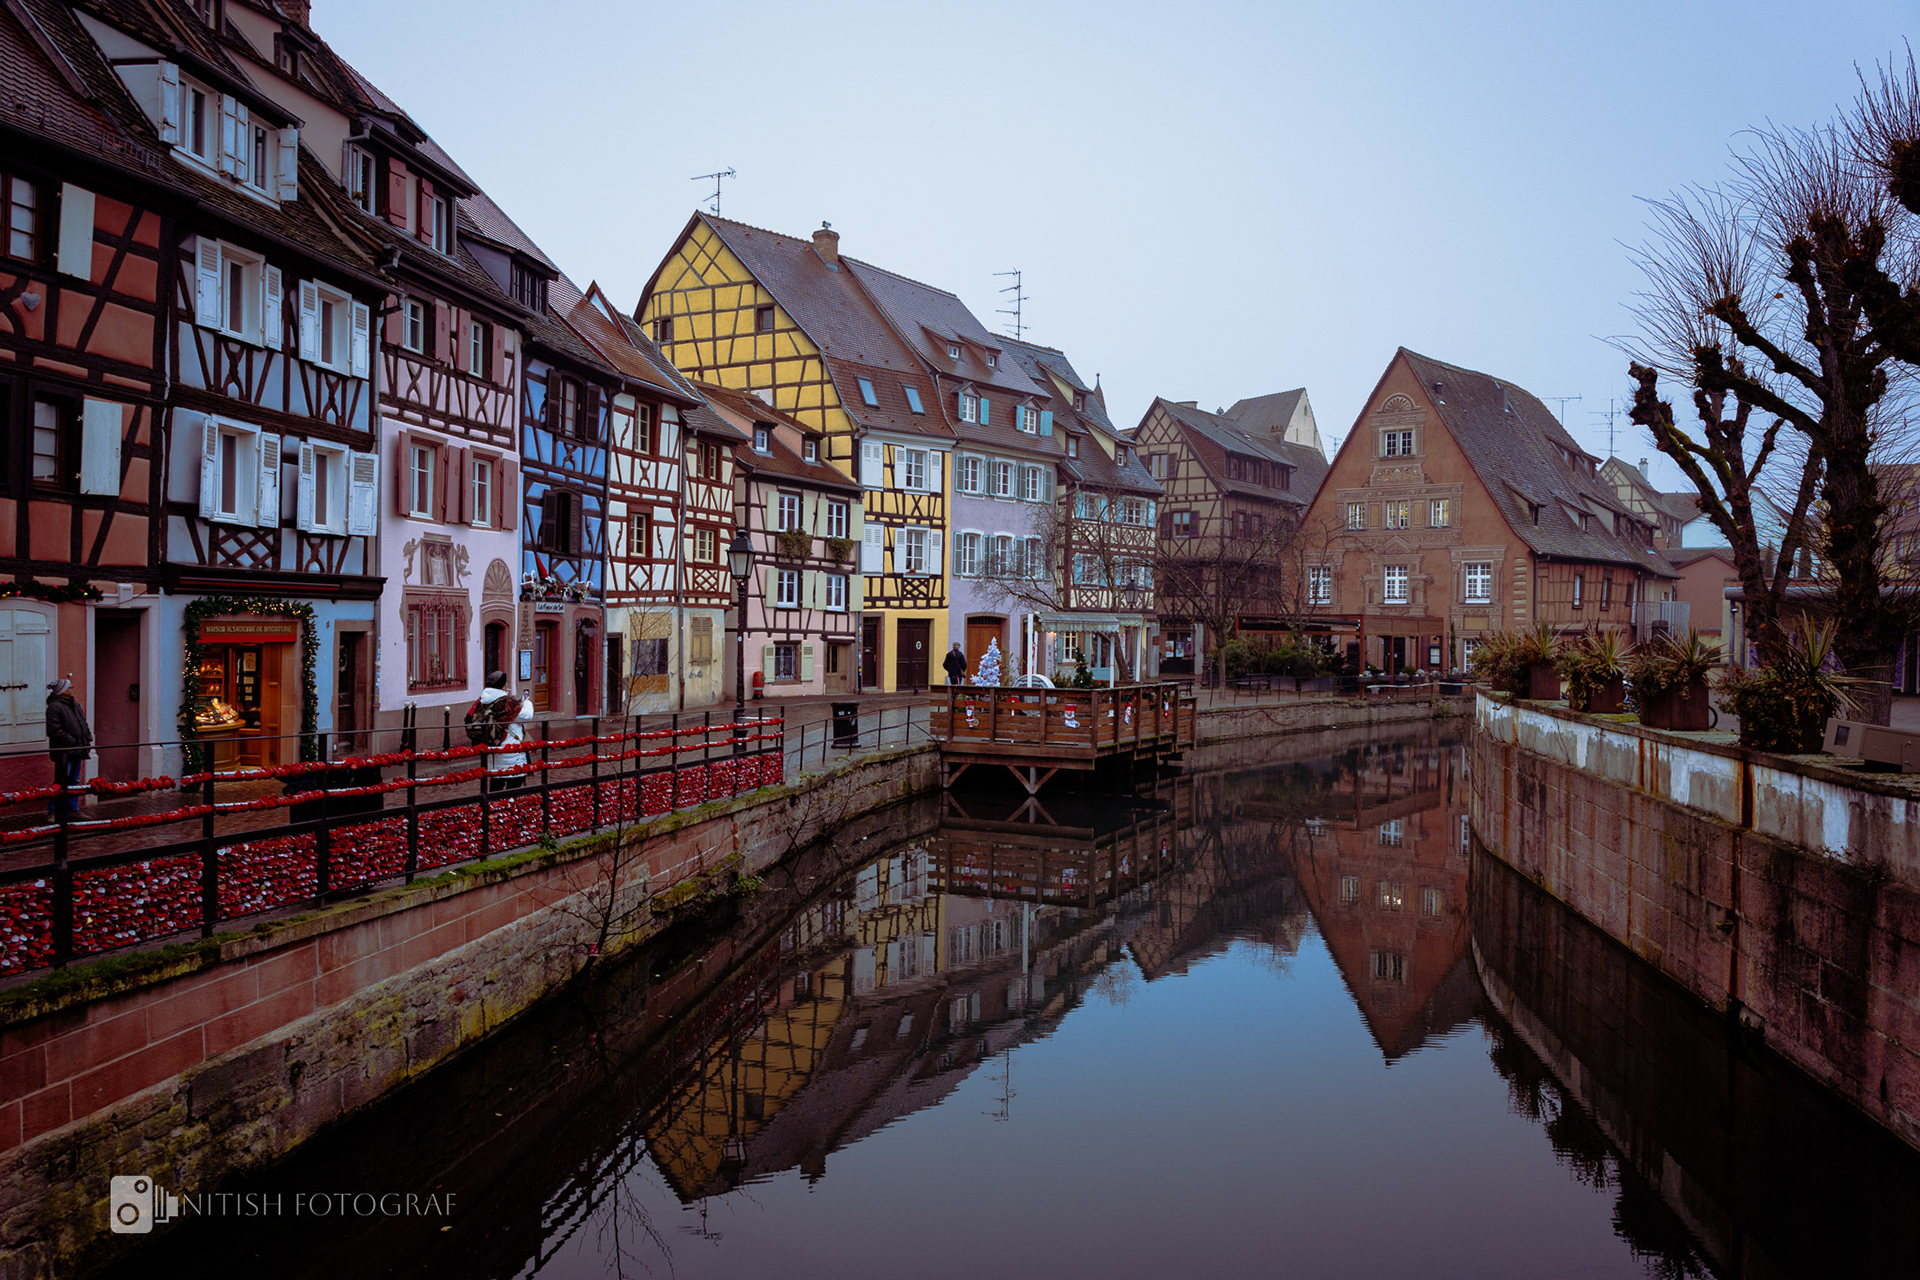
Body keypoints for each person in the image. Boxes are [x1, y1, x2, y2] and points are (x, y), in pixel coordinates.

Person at [44, 677, 92, 819]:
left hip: (78, 749)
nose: (72, 689)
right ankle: (52, 811)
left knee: (74, 781)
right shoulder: (54, 707)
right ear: (63, 691)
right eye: (70, 687)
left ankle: (73, 809)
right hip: (64, 751)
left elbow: (83, 723)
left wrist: (87, 739)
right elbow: (54, 730)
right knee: (61, 780)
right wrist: (72, 741)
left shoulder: (76, 705)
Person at [478, 670, 533, 792]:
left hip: (493, 746)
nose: (507, 686)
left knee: (496, 783)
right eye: (506, 683)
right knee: (514, 783)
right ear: (502, 685)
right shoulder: (506, 703)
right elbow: (527, 716)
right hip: (510, 749)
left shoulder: (483, 701)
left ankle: (492, 808)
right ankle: (508, 807)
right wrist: (527, 702)